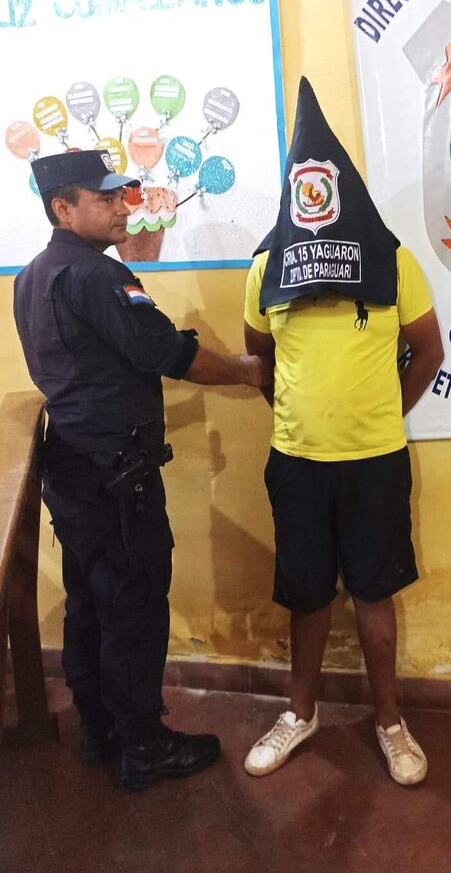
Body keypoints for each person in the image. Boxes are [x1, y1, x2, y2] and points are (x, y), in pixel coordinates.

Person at [13, 149, 273, 791]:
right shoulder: (96, 276)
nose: (122, 208)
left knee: (90, 602)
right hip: (114, 475)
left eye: (121, 196)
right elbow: (165, 352)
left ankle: (98, 731)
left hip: (73, 468)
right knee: (133, 605)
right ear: (63, 208)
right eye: (105, 199)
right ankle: (144, 748)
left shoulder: (33, 276)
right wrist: (245, 371)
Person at [242, 78, 443, 786]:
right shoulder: (267, 267)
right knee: (305, 595)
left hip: (375, 462)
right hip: (297, 462)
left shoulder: (392, 261)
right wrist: (296, 414)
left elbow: (429, 351)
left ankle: (390, 722)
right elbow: (259, 357)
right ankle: (300, 714)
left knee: (374, 593)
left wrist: (382, 413)